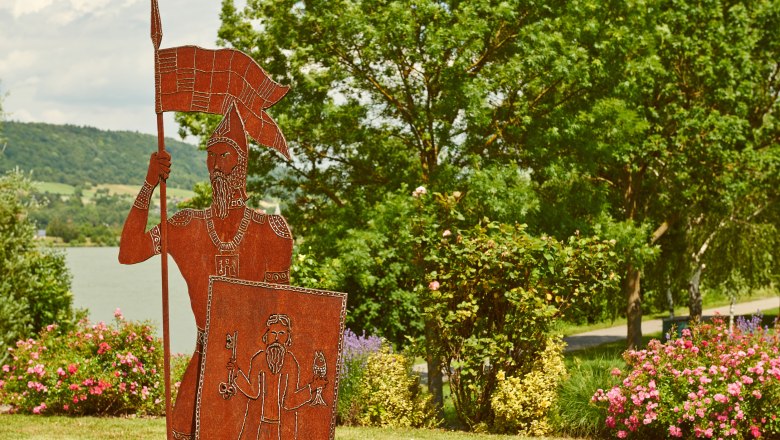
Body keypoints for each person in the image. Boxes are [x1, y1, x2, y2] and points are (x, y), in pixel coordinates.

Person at [119, 103, 293, 440]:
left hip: (255, 363)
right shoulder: (186, 227)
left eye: (224, 156)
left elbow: (281, 310)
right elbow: (129, 253)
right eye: (210, 157)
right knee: (184, 431)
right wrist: (148, 184)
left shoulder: (271, 231)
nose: (214, 165)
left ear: (241, 165)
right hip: (204, 357)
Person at [228, 314, 326, 440]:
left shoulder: (291, 362)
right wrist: (237, 373)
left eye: (281, 333)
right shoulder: (259, 359)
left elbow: (290, 401)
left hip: (282, 427)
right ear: (266, 337)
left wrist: (312, 386)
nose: (277, 338)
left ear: (288, 338)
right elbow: (253, 392)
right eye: (273, 333)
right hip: (258, 425)